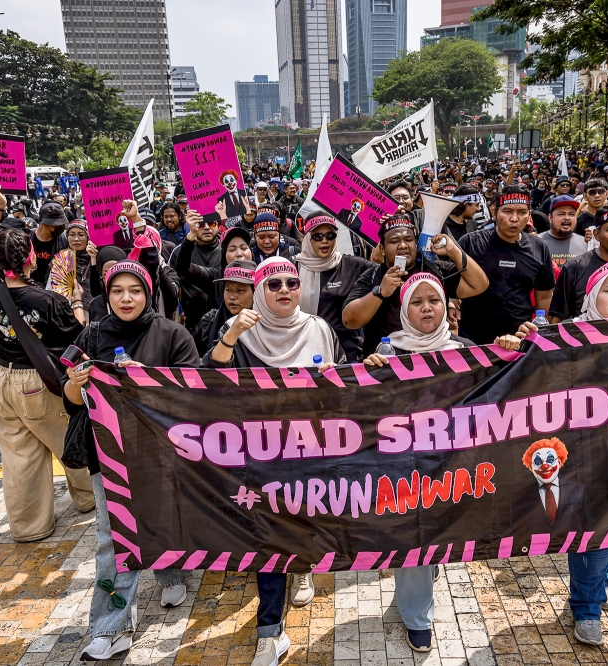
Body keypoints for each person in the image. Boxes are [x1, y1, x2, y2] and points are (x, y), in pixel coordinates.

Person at [204, 257, 342, 666]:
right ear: (259, 291)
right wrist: (232, 336)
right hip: (260, 456)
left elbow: (346, 387)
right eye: (273, 283)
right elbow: (209, 383)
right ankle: (270, 632)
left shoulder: (319, 329)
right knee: (268, 539)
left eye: (292, 282)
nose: (284, 290)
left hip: (313, 451)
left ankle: (301, 568)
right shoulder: (242, 334)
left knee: (303, 525)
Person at [497, 261, 608, 646]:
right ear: (592, 295)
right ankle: (587, 607)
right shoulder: (565, 334)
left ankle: (598, 582)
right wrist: (521, 341)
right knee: (593, 525)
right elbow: (529, 368)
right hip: (579, 450)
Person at [64, 261, 199, 661]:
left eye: (135, 290)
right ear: (106, 295)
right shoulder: (90, 335)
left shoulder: (173, 335)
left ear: (149, 292)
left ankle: (172, 572)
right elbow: (70, 401)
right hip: (108, 458)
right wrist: (75, 384)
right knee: (113, 540)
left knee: (163, 519)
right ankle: (111, 626)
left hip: (161, 454)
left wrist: (150, 380)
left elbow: (194, 396)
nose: (126, 298)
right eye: (118, 290)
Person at [360, 273, 475, 653]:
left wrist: (509, 348)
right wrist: (369, 373)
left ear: (446, 306)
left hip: (451, 464)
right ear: (403, 309)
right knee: (416, 536)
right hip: (403, 466)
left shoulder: (466, 348)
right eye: (417, 302)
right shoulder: (388, 351)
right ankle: (416, 616)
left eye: (434, 300)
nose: (427, 307)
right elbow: (369, 411)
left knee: (436, 538)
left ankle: (421, 578)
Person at [0, 186, 94, 542]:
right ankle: (88, 500)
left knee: (18, 457)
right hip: (38, 383)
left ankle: (29, 527)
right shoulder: (47, 300)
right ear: (31, 259)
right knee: (69, 439)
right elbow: (79, 337)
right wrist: (75, 299)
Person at [342, 215, 488, 354]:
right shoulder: (373, 275)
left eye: (408, 239)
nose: (403, 245)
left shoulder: (435, 269)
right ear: (382, 249)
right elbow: (349, 321)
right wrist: (380, 292)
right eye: (394, 241)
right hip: (388, 363)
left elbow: (479, 285)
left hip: (434, 358)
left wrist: (454, 252)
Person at [456, 187, 555, 342]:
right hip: (474, 341)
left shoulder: (539, 247)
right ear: (494, 213)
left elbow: (544, 296)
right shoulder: (471, 243)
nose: (514, 218)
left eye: (522, 212)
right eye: (508, 211)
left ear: (529, 215)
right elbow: (454, 287)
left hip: (520, 339)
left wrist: (539, 331)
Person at [293, 214, 373, 361]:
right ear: (307, 239)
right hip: (305, 352)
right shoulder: (293, 268)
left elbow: (384, 272)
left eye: (330, 235)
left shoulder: (352, 265)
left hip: (348, 354)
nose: (324, 241)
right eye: (317, 236)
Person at [172, 211, 222, 333]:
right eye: (200, 224)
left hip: (222, 321)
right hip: (191, 323)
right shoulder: (180, 251)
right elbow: (173, 283)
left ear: (218, 225)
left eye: (211, 224)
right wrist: (179, 312)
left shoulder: (227, 250)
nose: (206, 228)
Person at [196, 260, 257, 355]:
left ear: (256, 293)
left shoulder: (266, 325)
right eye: (228, 289)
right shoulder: (209, 322)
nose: (232, 297)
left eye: (240, 290)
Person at [538, 195, 589, 266]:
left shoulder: (585, 243)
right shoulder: (537, 243)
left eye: (571, 214)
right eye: (561, 214)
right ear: (550, 218)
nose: (567, 218)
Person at [31, 202, 70, 286]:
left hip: (53, 287)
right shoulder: (27, 238)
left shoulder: (64, 240)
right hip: (29, 287)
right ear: (45, 224)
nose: (61, 227)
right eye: (57, 224)